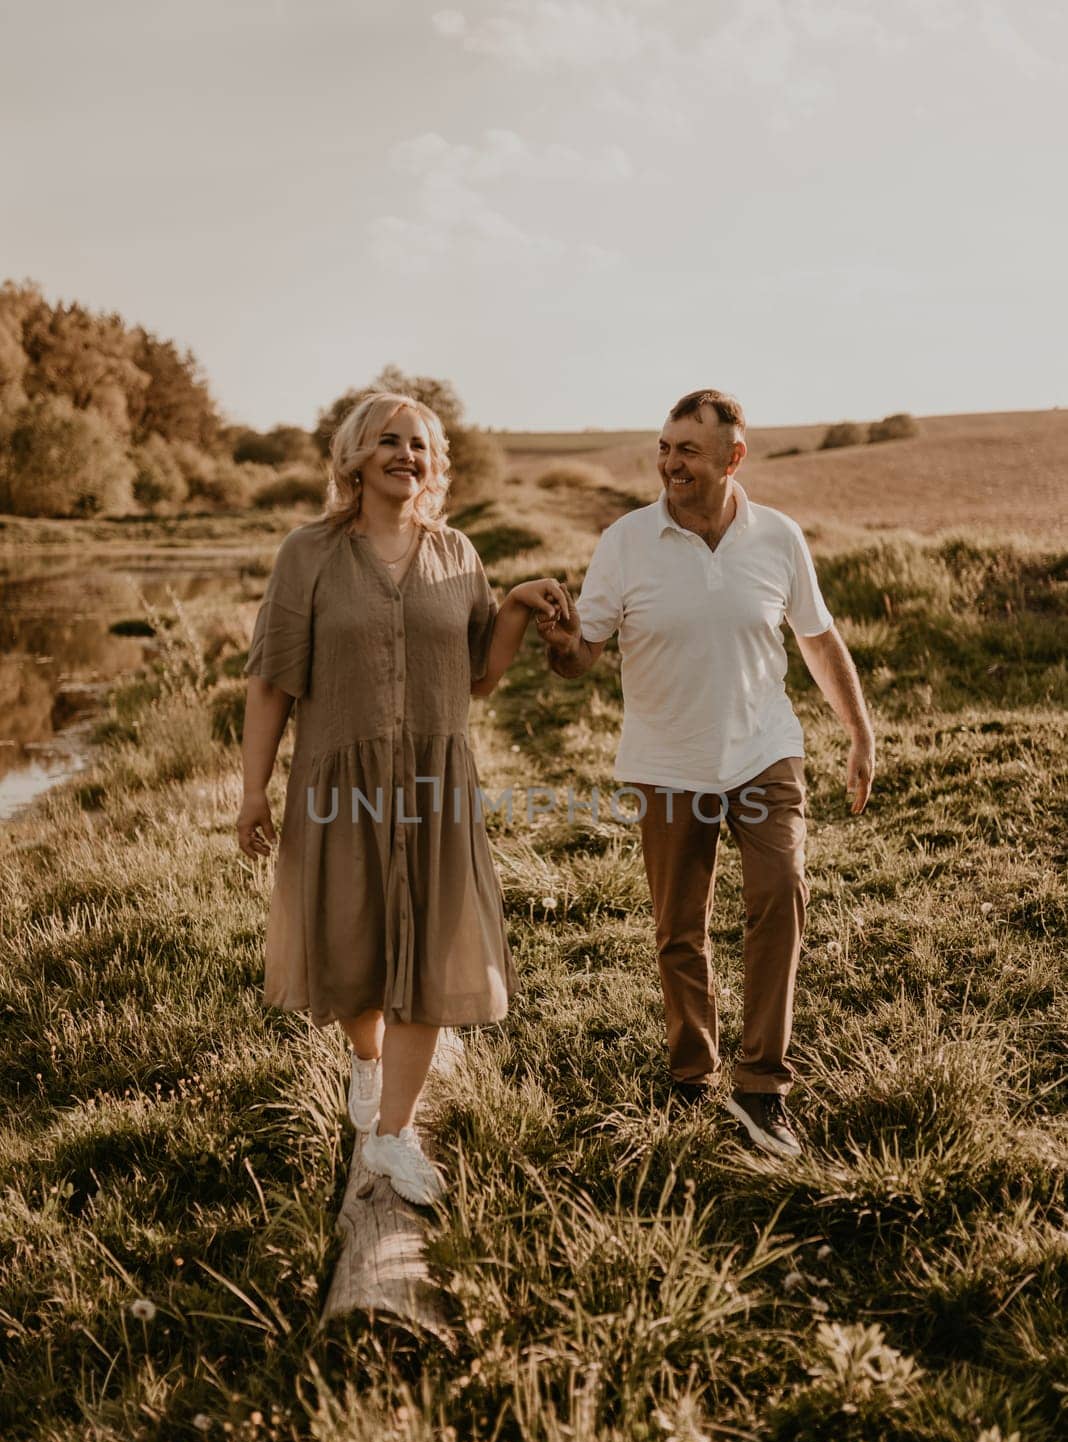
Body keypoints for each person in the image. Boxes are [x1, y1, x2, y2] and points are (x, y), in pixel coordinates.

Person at [238, 391, 570, 1204]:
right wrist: (253, 791)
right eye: (388, 441)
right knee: (350, 941)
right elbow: (272, 681)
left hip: (436, 784)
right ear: (354, 456)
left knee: (428, 952)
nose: (405, 456)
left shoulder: (458, 555)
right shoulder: (307, 554)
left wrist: (520, 606)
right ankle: (366, 1056)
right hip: (338, 781)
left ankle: (392, 1135)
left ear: (436, 464)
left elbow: (479, 677)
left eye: (420, 445)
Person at [538, 389, 875, 1157]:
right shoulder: (626, 541)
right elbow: (581, 656)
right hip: (667, 762)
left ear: (733, 457)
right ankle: (693, 1075)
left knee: (780, 895)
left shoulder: (778, 537)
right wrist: (560, 641)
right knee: (678, 929)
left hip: (764, 751)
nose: (670, 463)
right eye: (664, 447)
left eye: (687, 449)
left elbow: (818, 641)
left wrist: (858, 733)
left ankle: (763, 1088)